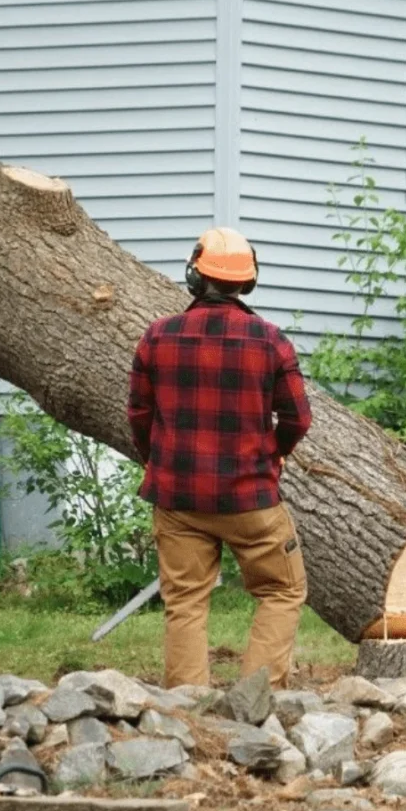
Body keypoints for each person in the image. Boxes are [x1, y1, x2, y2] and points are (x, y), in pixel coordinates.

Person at [128, 227, 312, 689]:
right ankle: (257, 698)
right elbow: (298, 419)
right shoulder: (271, 342)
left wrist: (161, 463)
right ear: (247, 282)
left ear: (195, 274)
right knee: (282, 590)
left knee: (185, 601)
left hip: (178, 500)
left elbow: (138, 415)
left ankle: (186, 710)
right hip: (251, 499)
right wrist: (272, 453)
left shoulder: (156, 337)